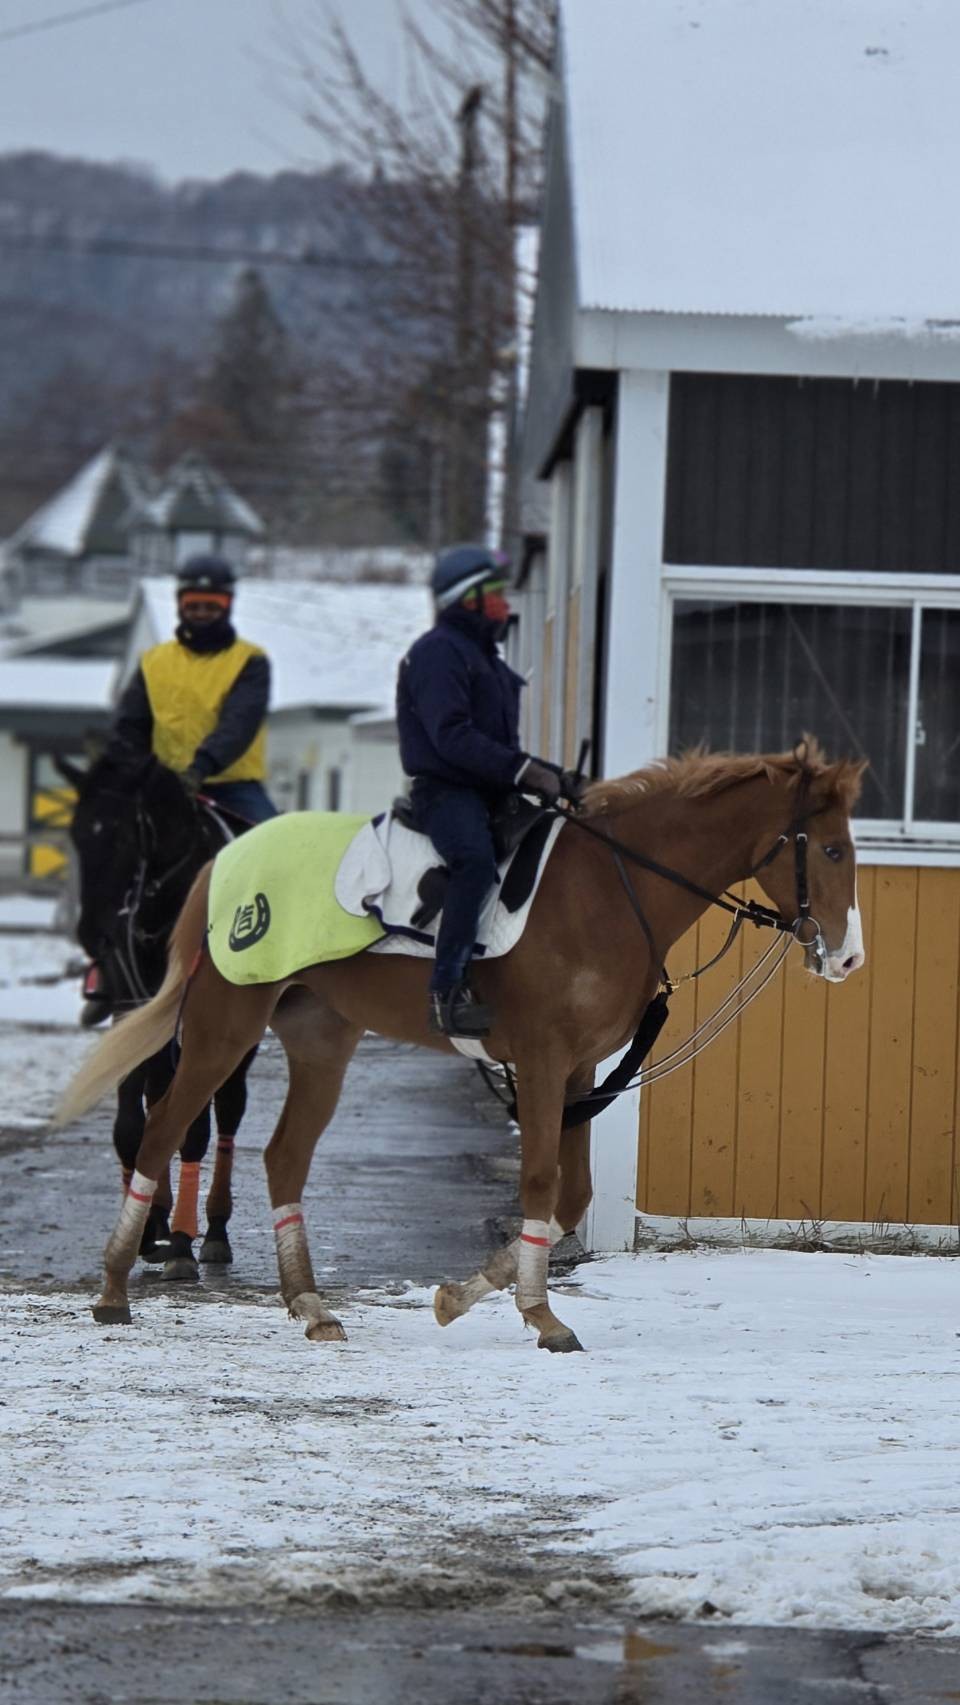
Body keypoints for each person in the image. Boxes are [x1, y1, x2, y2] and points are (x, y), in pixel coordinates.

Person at [396, 542, 569, 1040]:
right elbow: (451, 736)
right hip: (446, 792)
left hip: (489, 791)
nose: (504, 600)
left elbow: (501, 750)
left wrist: (556, 776)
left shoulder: (483, 656)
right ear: (466, 598)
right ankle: (446, 992)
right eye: (495, 591)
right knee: (474, 861)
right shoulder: (437, 652)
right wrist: (524, 770)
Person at [105, 554, 277, 824]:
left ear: (228, 606)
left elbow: (238, 724)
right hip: (164, 785)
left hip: (232, 787)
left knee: (272, 838)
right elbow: (131, 725)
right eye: (193, 605)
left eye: (212, 606)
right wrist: (133, 768)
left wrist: (200, 769)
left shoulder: (251, 661)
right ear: (180, 605)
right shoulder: (153, 661)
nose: (202, 613)